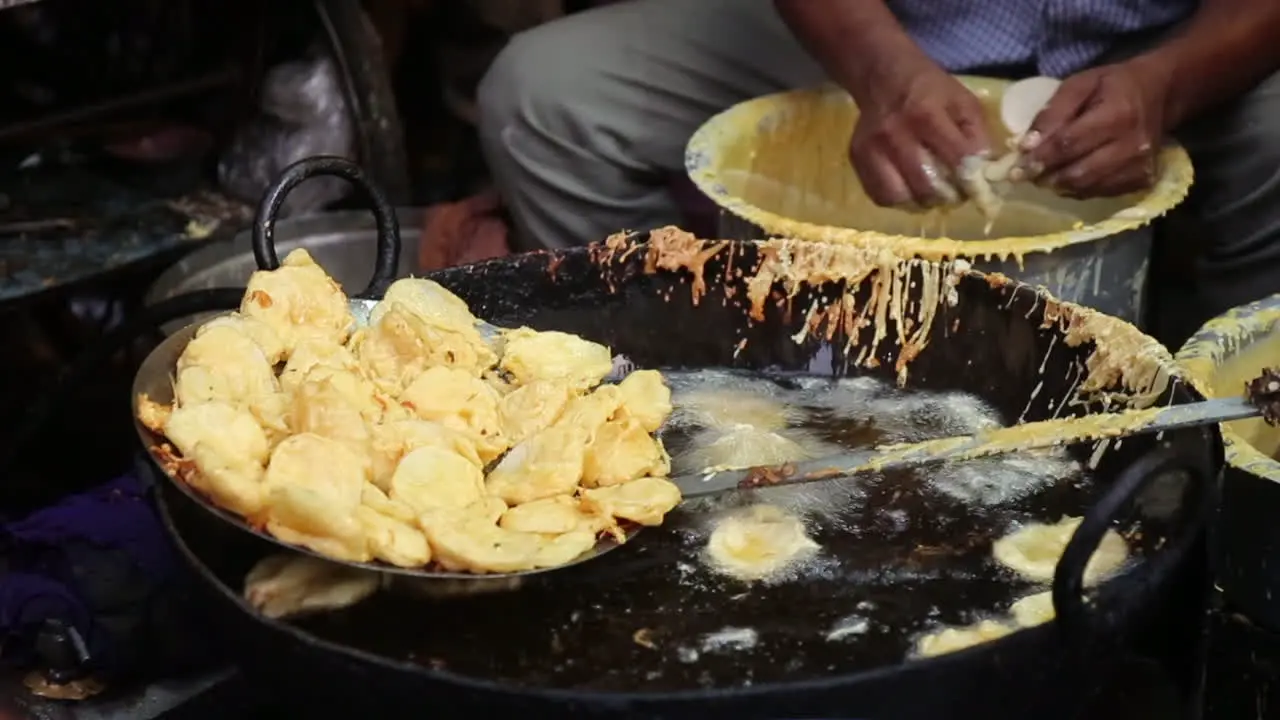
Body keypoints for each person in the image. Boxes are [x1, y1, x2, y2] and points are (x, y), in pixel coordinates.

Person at [476, 0, 1280, 346]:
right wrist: (879, 72)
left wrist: (1170, 82)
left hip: (1171, 42)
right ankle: (649, 409)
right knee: (549, 97)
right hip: (881, 30)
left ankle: (1210, 464)